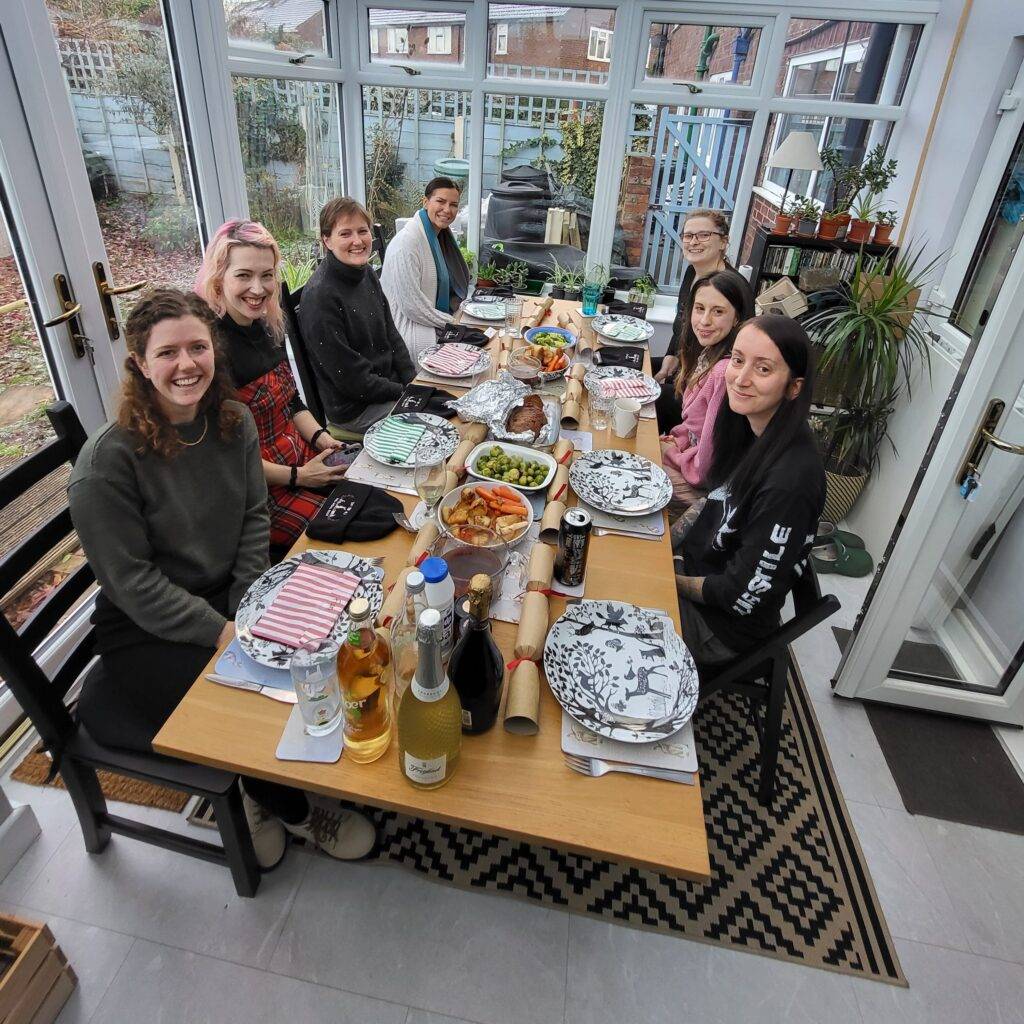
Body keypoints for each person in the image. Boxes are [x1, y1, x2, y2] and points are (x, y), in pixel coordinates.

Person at [68, 288, 376, 868]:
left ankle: (269, 776)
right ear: (139, 363)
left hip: (230, 596)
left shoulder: (231, 421)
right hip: (147, 627)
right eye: (167, 353)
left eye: (198, 348)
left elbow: (254, 516)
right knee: (253, 699)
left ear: (214, 352)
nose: (186, 365)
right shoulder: (107, 464)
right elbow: (132, 583)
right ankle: (280, 803)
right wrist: (222, 630)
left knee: (334, 645)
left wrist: (248, 602)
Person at [673, 315, 826, 668]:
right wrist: (667, 543)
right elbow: (713, 502)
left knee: (608, 599)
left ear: (794, 387)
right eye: (738, 360)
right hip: (699, 574)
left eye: (763, 369)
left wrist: (668, 576)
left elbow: (735, 592)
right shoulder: (750, 426)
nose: (740, 379)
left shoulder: (791, 481)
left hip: (720, 628)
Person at [195, 219, 347, 551]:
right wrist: (299, 477)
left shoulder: (266, 325)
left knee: (368, 498)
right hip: (260, 491)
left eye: (267, 275)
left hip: (302, 461)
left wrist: (324, 440)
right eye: (243, 275)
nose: (258, 288)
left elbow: (292, 402)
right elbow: (228, 459)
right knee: (339, 540)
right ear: (218, 278)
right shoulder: (208, 351)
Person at [299, 197, 416, 434]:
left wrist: (412, 380)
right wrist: (403, 392)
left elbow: (392, 336)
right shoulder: (320, 297)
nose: (357, 241)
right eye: (345, 234)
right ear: (326, 240)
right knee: (435, 423)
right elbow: (351, 379)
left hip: (384, 388)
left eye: (362, 231)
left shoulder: (366, 273)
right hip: (356, 408)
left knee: (443, 402)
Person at [660, 270, 754, 513]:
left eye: (718, 311)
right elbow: (695, 429)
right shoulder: (708, 353)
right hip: (692, 459)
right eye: (699, 308)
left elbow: (705, 468)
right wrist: (677, 440)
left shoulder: (723, 372)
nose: (704, 321)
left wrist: (671, 454)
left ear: (737, 318)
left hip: (706, 489)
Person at [654, 209, 733, 432]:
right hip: (684, 365)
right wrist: (671, 355)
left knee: (642, 395)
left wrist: (681, 375)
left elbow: (726, 356)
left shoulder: (730, 287)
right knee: (634, 366)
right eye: (688, 236)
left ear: (723, 242)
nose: (694, 242)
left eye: (704, 235)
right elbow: (682, 322)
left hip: (704, 388)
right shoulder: (692, 273)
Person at [381, 176, 472, 362]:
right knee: (477, 353)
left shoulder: (438, 237)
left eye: (453, 204)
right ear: (425, 202)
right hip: (408, 333)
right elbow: (412, 307)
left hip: (432, 321)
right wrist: (455, 324)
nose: (447, 210)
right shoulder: (407, 244)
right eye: (440, 201)